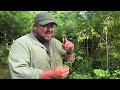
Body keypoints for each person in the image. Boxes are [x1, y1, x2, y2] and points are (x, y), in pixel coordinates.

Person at [8, 11, 75, 79]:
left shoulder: (56, 43)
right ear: (35, 26)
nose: (49, 30)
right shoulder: (21, 43)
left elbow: (68, 61)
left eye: (51, 26)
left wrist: (70, 51)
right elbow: (18, 72)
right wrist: (51, 74)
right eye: (45, 25)